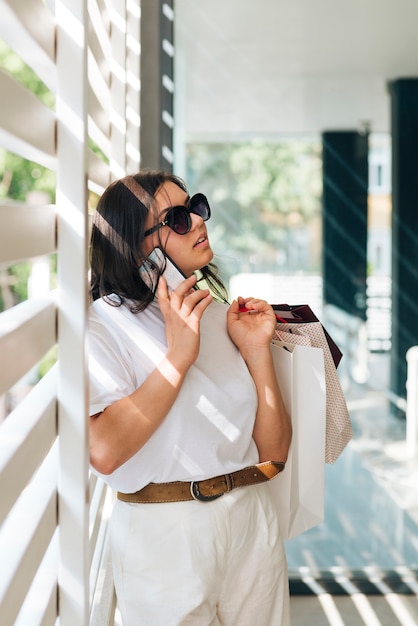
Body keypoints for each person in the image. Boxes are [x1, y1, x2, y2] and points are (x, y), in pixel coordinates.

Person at [88, 170, 292, 626]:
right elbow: (103, 450)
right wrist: (179, 356)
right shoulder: (102, 325)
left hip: (250, 518)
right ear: (133, 244)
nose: (199, 221)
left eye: (195, 207)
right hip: (163, 532)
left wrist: (257, 350)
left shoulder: (221, 315)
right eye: (177, 218)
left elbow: (274, 453)